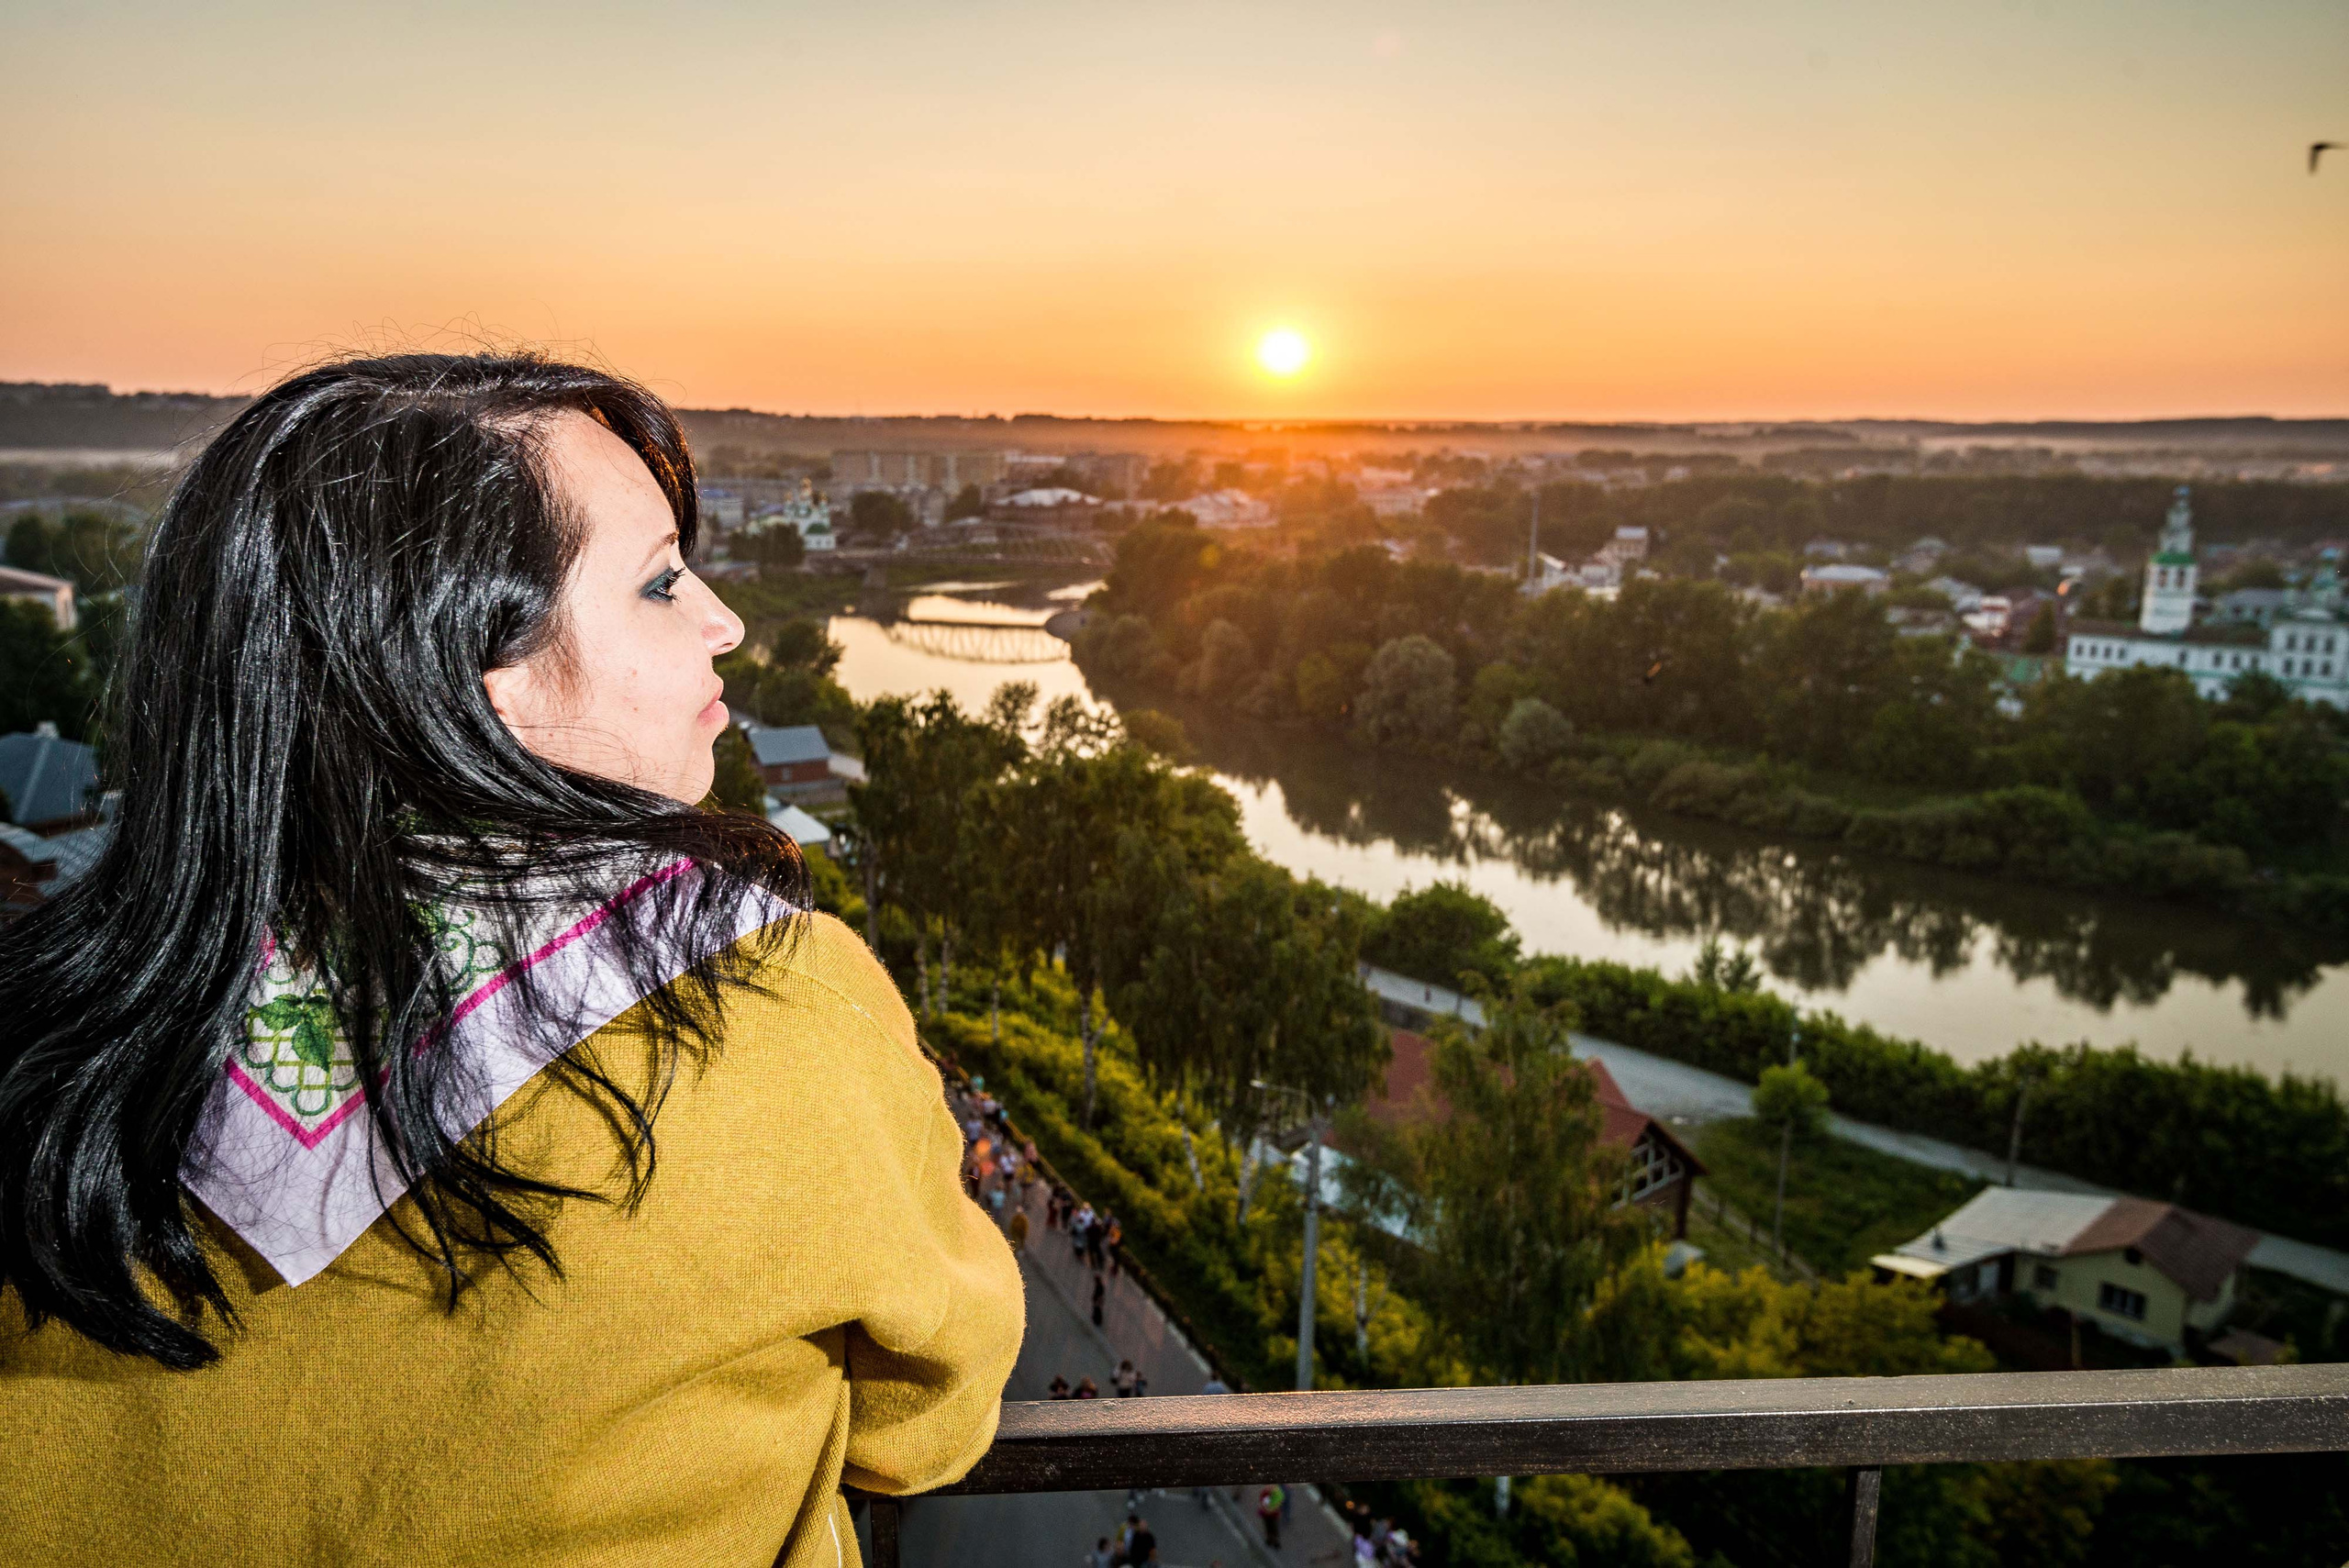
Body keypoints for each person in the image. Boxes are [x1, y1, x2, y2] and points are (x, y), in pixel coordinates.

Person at [0, 352, 1026, 1566]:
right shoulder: (772, 998)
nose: (725, 619)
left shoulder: (55, 1002)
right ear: (475, 676)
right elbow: (929, 1422)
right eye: (658, 584)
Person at [1258, 1484, 1286, 1549]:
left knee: (1274, 1528)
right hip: (1266, 1514)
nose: (1269, 1487)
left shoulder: (1278, 1494)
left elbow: (1279, 1503)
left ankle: (1275, 1541)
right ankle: (1269, 1539)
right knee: (1268, 1527)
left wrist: (1270, 1510)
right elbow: (1261, 1502)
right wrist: (1264, 1508)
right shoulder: (1265, 1493)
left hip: (1273, 1515)